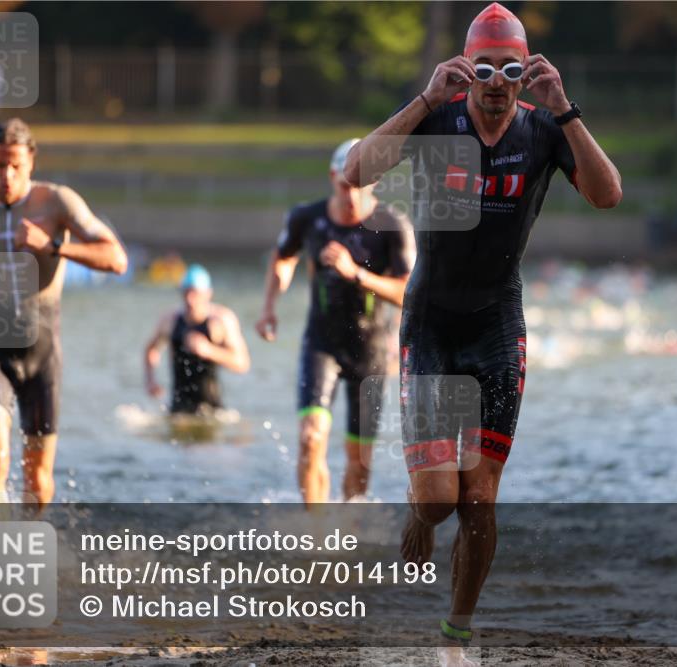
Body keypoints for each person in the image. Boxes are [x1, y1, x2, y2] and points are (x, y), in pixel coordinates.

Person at [343, 3, 621, 664]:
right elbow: (356, 170)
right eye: (486, 69)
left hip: (498, 320)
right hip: (431, 321)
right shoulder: (438, 118)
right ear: (469, 71)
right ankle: (418, 513)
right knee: (440, 501)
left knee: (481, 497)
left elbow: (608, 194)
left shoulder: (545, 130)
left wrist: (567, 109)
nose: (497, 82)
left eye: (511, 70)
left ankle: (457, 632)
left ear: (526, 74)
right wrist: (423, 98)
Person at [0, 118, 128, 511]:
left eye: (16, 165)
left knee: (37, 480)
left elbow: (116, 259)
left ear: (31, 162)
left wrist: (53, 245)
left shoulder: (57, 203)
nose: (7, 176)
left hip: (42, 354)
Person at [256, 139, 414, 505]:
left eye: (360, 187)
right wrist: (269, 307)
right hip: (322, 343)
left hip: (370, 351)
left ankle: (349, 527)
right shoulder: (306, 218)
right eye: (345, 186)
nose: (352, 197)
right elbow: (282, 259)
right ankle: (316, 535)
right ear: (332, 178)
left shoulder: (392, 225)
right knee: (311, 438)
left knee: (359, 462)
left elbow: (409, 293)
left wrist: (355, 273)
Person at [144, 264, 251, 417]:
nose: (189, 300)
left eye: (195, 294)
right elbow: (151, 349)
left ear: (208, 294)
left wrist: (209, 350)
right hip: (177, 410)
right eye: (185, 293)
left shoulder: (221, 320)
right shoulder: (170, 320)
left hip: (212, 412)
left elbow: (242, 363)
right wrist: (150, 380)